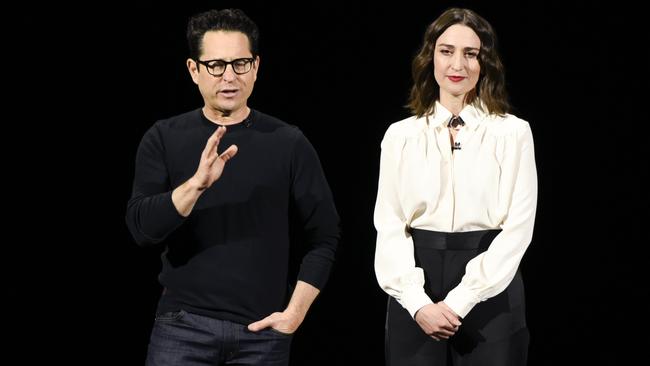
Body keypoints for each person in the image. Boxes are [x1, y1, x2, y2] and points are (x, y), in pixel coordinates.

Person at [126, 8, 340, 366]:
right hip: (182, 330)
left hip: (262, 335)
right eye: (216, 65)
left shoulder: (288, 142)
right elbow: (142, 229)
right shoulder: (164, 137)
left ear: (255, 67)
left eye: (240, 64)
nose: (229, 76)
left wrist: (294, 314)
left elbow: (325, 236)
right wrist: (196, 185)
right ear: (194, 70)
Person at [374, 7, 537, 365]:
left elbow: (518, 229)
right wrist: (418, 303)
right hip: (415, 289)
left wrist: (460, 300)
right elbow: (389, 226)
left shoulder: (512, 133)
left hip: (491, 289)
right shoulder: (401, 136)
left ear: (485, 63)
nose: (457, 65)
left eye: (470, 54)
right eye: (446, 52)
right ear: (430, 57)